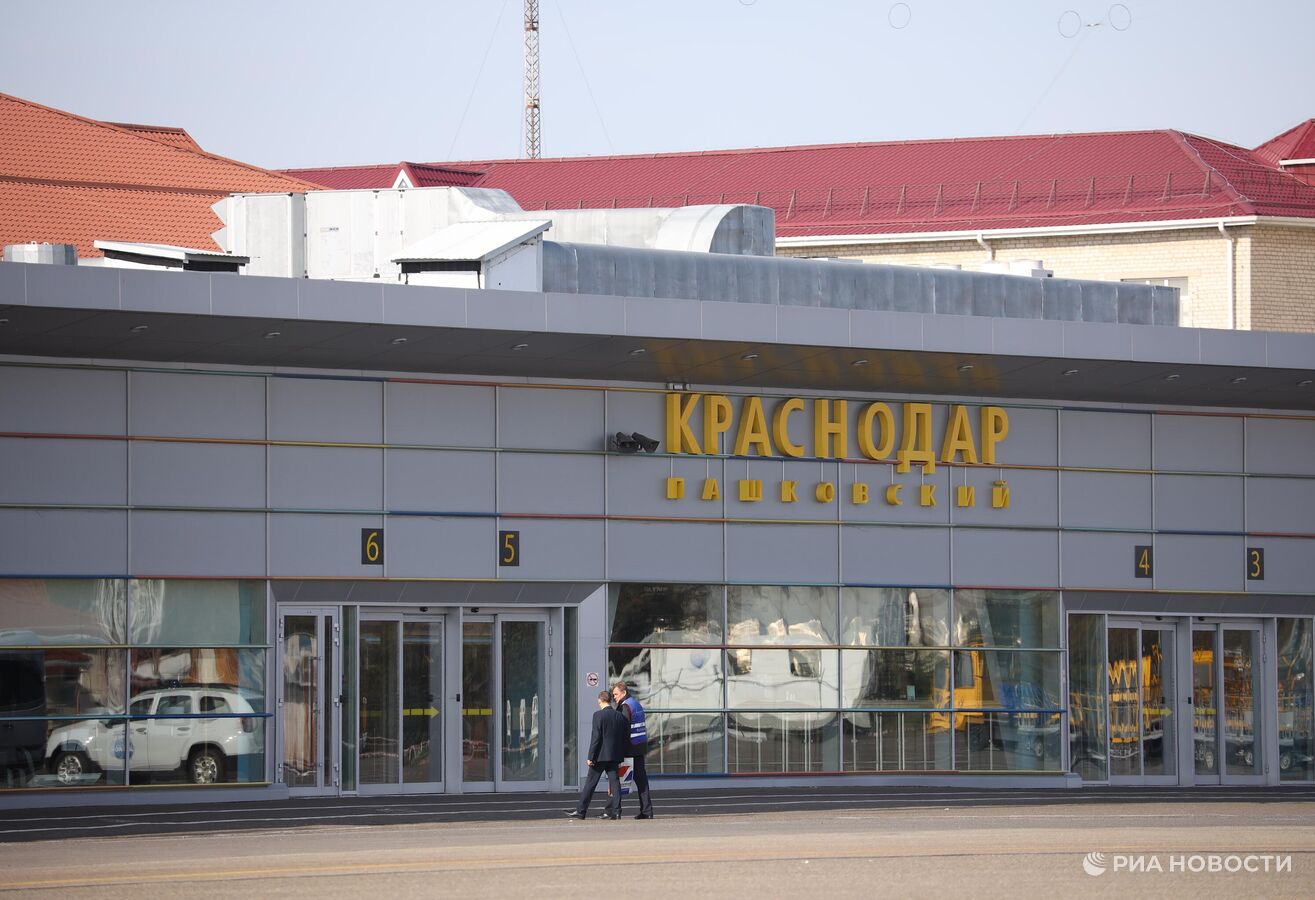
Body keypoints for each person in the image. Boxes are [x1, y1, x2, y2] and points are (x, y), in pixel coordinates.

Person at [565, 690, 628, 820]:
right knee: (615, 783)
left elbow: (596, 737)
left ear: (600, 700)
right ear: (610, 700)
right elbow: (624, 736)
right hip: (614, 755)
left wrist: (591, 756)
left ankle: (581, 811)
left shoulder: (598, 715)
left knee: (590, 783)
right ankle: (617, 811)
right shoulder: (619, 716)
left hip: (600, 755)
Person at [612, 680, 654, 819]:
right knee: (641, 780)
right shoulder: (636, 704)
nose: (614, 697)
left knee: (617, 779)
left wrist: (617, 748)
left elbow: (622, 729)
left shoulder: (625, 706)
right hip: (640, 746)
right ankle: (647, 811)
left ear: (623, 692)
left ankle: (612, 810)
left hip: (629, 748)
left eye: (616, 694)